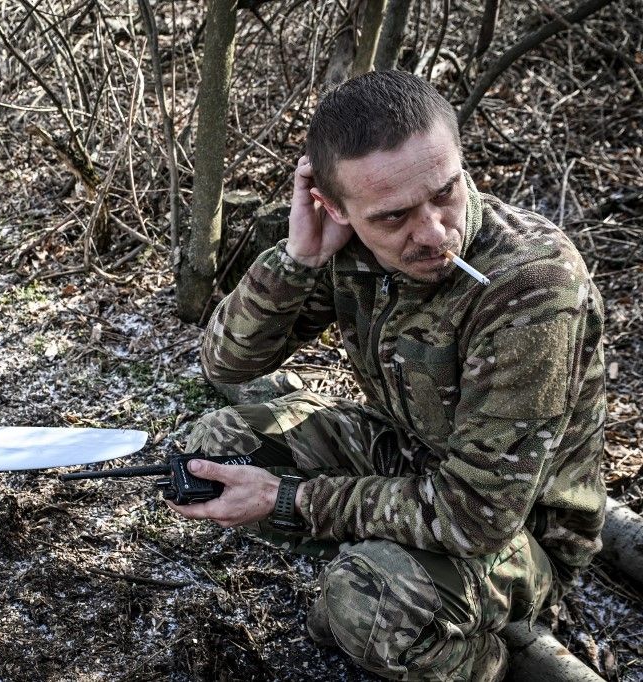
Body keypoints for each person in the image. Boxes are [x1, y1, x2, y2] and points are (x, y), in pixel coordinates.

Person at [167, 70, 606, 681]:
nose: (432, 233)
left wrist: (291, 501)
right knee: (211, 454)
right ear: (334, 205)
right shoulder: (346, 244)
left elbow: (478, 515)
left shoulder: (532, 286)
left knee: (365, 603)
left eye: (446, 192)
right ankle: (382, 564)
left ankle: (489, 660)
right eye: (393, 217)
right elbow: (226, 364)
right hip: (412, 458)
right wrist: (298, 261)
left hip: (520, 532)